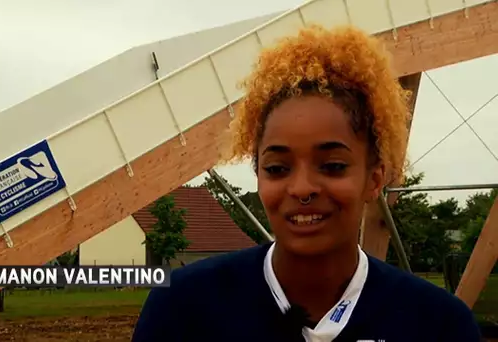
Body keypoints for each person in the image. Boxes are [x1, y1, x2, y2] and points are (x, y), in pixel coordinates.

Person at [131, 25, 482, 342]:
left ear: (374, 179)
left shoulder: (439, 326)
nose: (301, 189)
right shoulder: (182, 308)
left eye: (331, 166)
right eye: (277, 168)